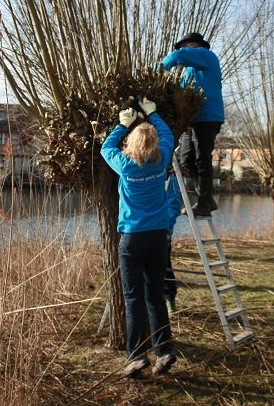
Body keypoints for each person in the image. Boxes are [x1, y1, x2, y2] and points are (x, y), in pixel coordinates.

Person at [100, 97, 177, 378]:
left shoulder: (125, 165)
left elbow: (105, 147)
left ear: (132, 144)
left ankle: (136, 357)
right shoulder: (162, 159)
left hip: (132, 238)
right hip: (158, 237)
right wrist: (153, 115)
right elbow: (168, 135)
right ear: (154, 143)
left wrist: (123, 125)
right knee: (155, 296)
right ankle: (165, 351)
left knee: (133, 298)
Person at [161, 32, 224, 216]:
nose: (182, 50)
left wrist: (160, 68)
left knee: (202, 158)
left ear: (194, 45)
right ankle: (207, 199)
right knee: (186, 159)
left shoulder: (207, 56)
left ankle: (203, 203)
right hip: (193, 119)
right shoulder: (189, 71)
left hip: (208, 117)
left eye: (185, 46)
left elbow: (176, 56)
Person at [163, 170, 183, 314]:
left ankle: (170, 301)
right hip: (145, 230)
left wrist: (166, 228)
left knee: (165, 268)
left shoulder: (171, 180)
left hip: (163, 232)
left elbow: (174, 206)